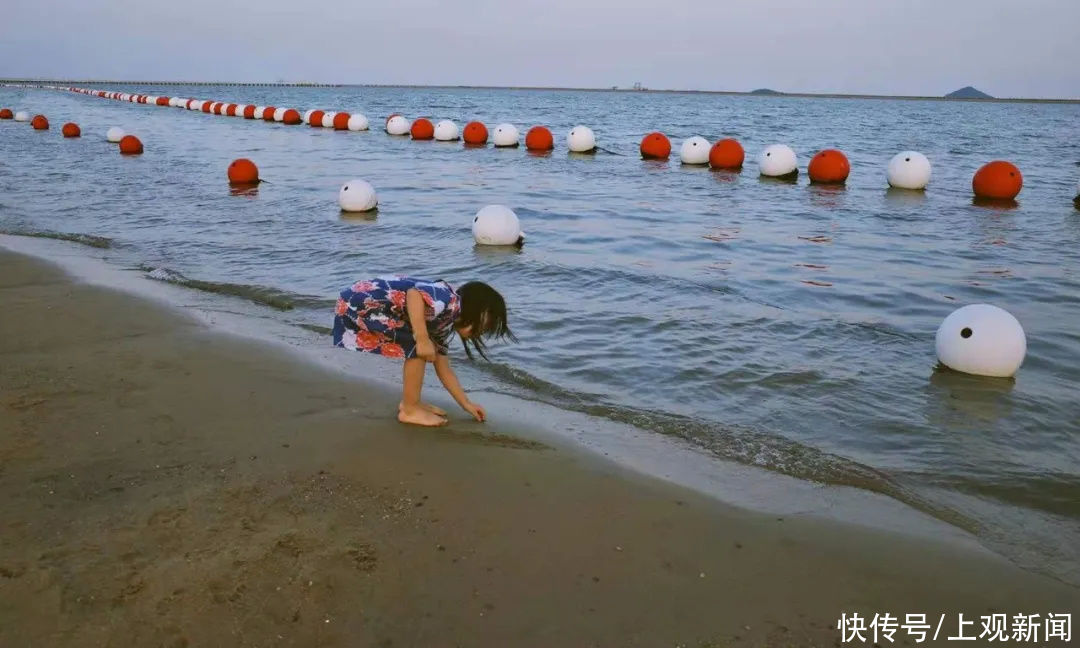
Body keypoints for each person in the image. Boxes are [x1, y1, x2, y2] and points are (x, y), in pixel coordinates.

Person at [332, 276, 514, 426]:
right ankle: (410, 409)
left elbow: (445, 369)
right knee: (418, 347)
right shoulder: (449, 300)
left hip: (364, 301)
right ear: (478, 310)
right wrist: (421, 338)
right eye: (486, 325)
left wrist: (466, 404)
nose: (483, 332)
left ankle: (411, 403)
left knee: (425, 347)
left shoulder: (442, 324)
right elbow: (414, 295)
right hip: (360, 302)